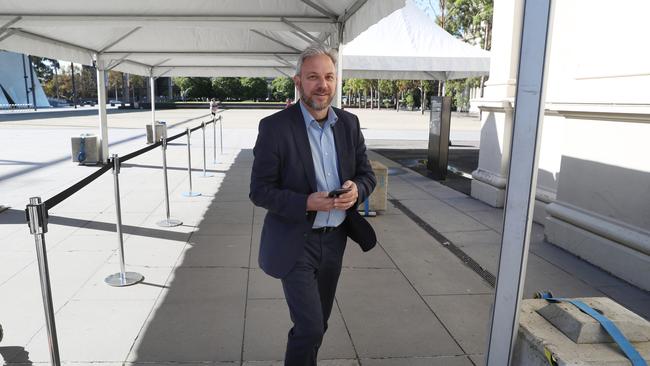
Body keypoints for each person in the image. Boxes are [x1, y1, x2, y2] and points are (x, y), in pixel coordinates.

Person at [250, 44, 377, 366]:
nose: (323, 85)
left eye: (329, 77)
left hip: (335, 240)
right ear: (298, 82)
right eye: (313, 77)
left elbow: (366, 174)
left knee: (318, 324)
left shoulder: (349, 123)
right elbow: (259, 191)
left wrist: (356, 190)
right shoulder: (275, 127)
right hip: (296, 242)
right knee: (309, 328)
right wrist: (306, 201)